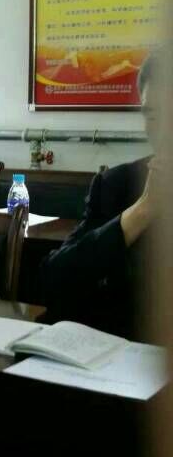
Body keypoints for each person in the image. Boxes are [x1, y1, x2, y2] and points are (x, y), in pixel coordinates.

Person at [40, 49, 168, 340]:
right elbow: (53, 282)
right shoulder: (116, 185)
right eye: (153, 115)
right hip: (122, 357)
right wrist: (142, 211)